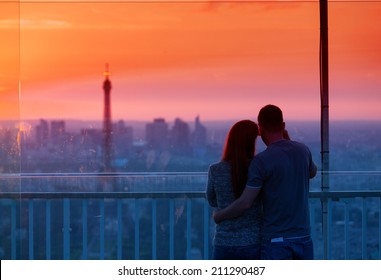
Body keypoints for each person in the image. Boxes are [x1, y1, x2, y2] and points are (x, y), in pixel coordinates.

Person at [214, 105, 317, 260]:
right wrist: (289, 143)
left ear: (260, 129)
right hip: (303, 238)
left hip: (275, 240)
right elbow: (312, 172)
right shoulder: (302, 150)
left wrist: (219, 215)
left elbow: (245, 203)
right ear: (283, 126)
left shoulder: (261, 161)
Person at [206, 120, 262, 260]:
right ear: (252, 143)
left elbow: (212, 200)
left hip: (224, 242)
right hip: (252, 241)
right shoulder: (259, 168)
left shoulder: (215, 170)